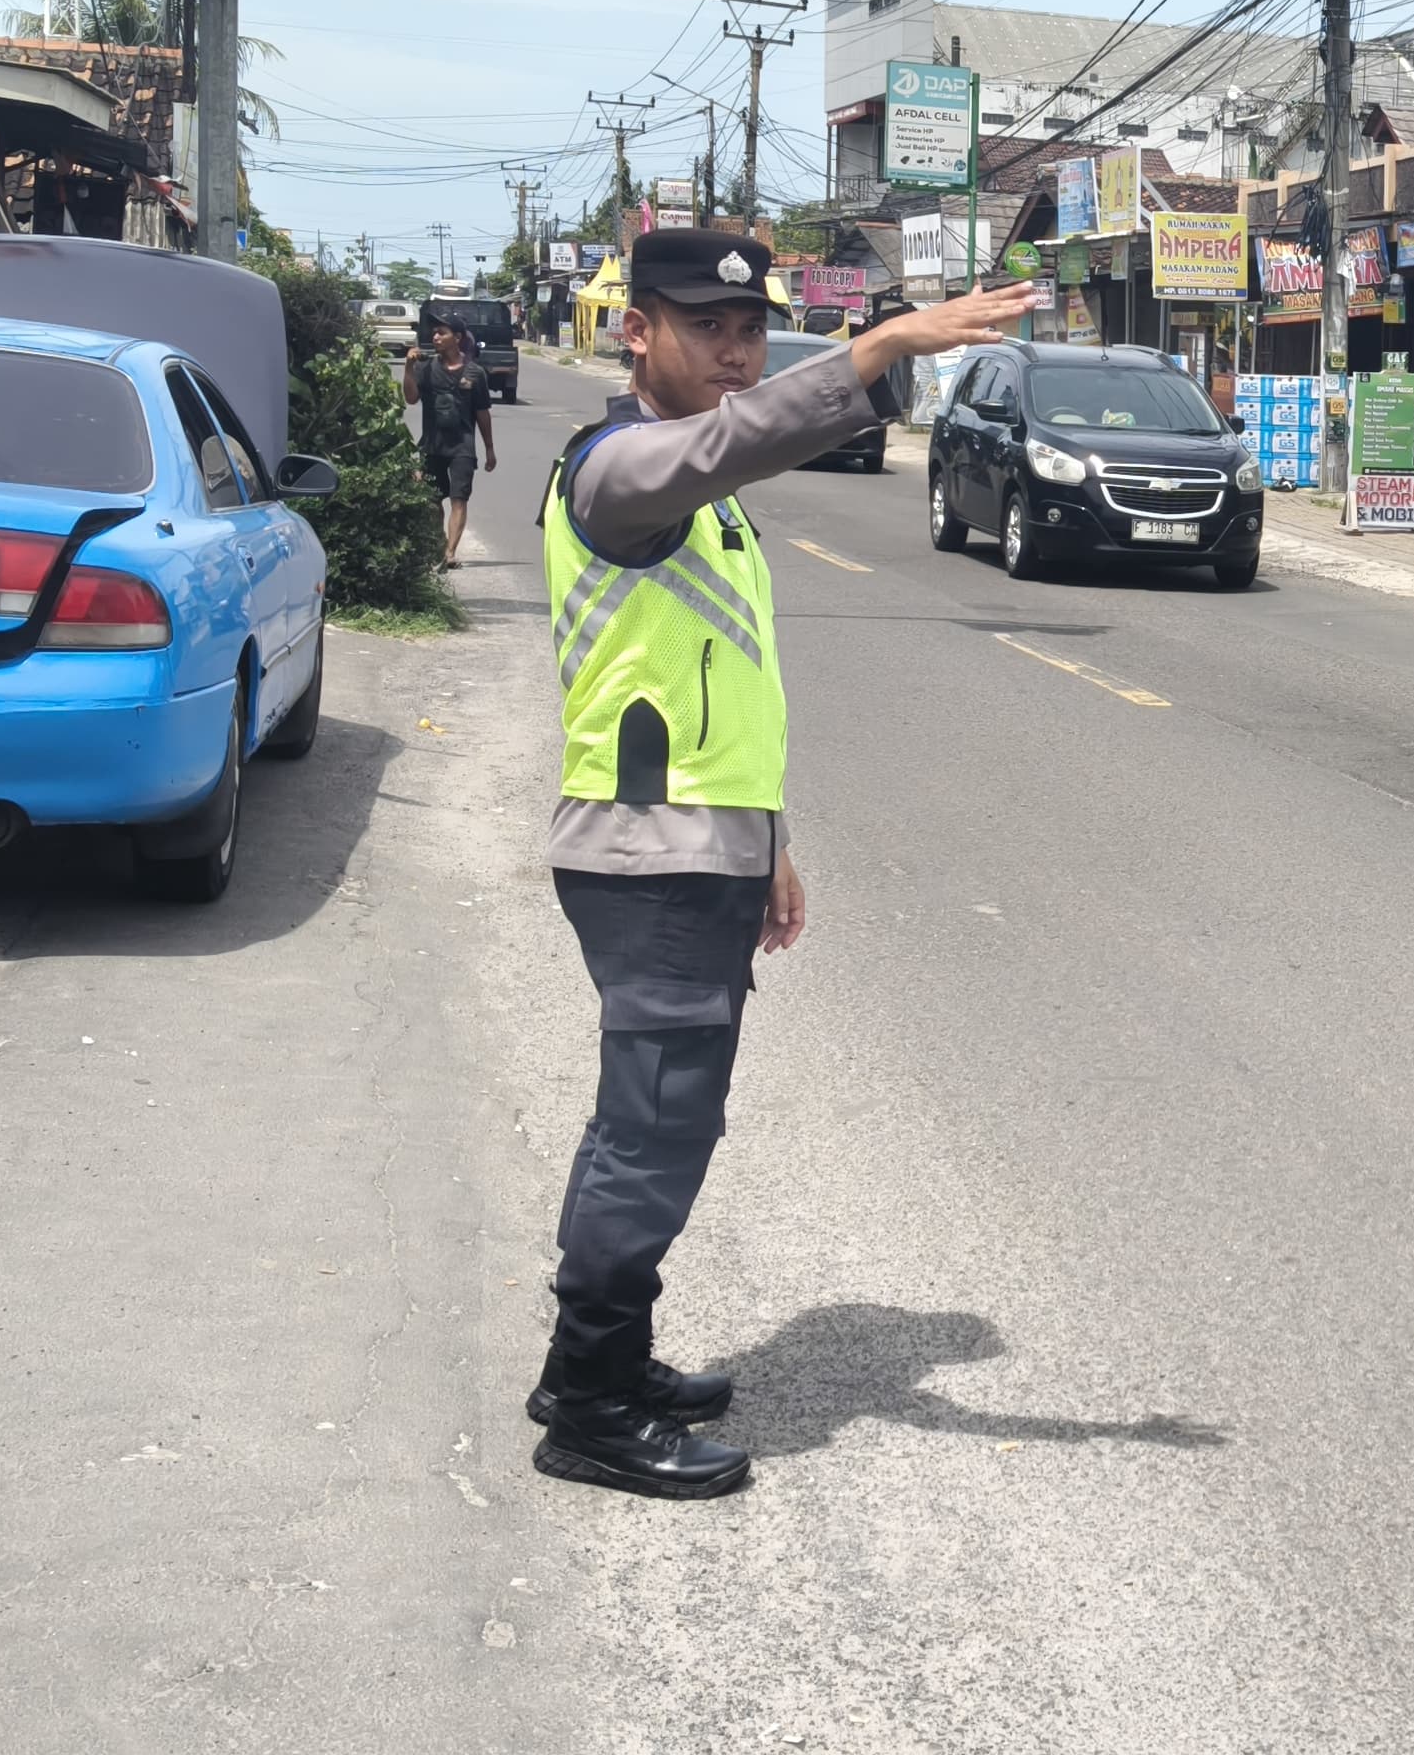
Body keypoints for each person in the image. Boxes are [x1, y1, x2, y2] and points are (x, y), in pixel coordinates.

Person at [525, 227, 1030, 1500]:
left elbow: (719, 687)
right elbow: (730, 442)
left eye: (752, 330)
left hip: (703, 847)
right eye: (706, 327)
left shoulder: (699, 495)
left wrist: (773, 846)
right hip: (648, 860)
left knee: (652, 1125)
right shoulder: (620, 470)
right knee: (652, 1132)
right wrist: (881, 348)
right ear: (635, 332)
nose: (737, 352)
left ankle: (599, 1363)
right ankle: (589, 1405)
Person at [405, 318, 497, 567]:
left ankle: (450, 552)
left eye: (441, 333)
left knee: (459, 499)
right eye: (434, 333)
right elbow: (411, 398)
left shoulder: (474, 373)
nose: (435, 337)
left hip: (462, 447)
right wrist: (408, 368)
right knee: (432, 500)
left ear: (457, 338)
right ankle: (439, 543)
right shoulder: (426, 368)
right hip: (432, 446)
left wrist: (489, 449)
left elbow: (482, 413)